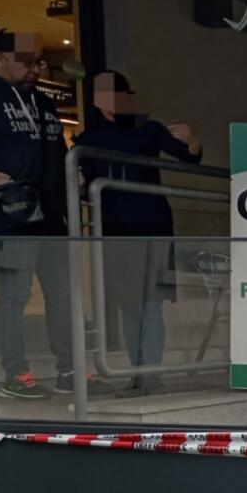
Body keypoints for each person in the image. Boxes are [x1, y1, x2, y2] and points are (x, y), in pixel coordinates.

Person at [74, 71, 202, 396]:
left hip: (151, 226)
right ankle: (138, 373)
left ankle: (149, 374)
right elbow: (85, 189)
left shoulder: (148, 130)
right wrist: (80, 186)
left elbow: (190, 157)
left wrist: (192, 137)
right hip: (117, 229)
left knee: (149, 306)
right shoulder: (90, 138)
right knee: (132, 306)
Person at [0, 30, 106, 399]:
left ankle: (70, 370)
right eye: (26, 61)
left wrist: (73, 173)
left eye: (39, 62)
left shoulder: (43, 102)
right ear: (1, 58)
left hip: (54, 211)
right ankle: (16, 374)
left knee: (63, 294)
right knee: (15, 295)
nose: (35, 68)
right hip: (13, 213)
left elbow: (58, 146)